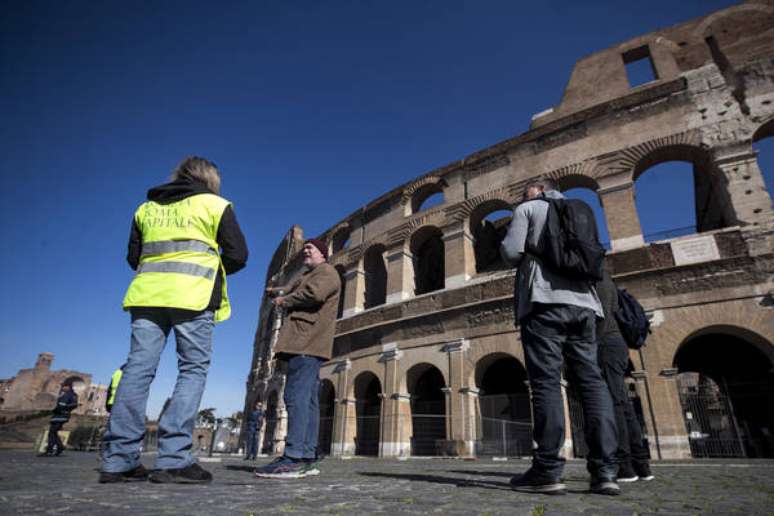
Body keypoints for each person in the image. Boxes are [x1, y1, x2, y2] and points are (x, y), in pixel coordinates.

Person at [99, 156, 248, 484]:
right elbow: (238, 255)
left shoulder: (145, 209)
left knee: (137, 370)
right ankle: (174, 458)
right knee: (192, 370)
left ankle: (118, 460)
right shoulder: (215, 205)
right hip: (194, 295)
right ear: (210, 179)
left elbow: (132, 257)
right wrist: (210, 269)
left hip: (147, 295)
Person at [500, 177, 619, 495]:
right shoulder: (581, 209)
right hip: (585, 306)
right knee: (592, 383)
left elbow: (511, 253)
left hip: (544, 302)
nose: (521, 196)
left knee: (546, 383)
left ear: (538, 190)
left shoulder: (529, 208)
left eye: (524, 192)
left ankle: (549, 470)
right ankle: (605, 471)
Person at [255, 239, 340, 479]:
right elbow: (304, 286)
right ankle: (306, 456)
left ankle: (293, 457)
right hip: (307, 342)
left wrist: (285, 300)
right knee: (309, 401)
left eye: (310, 248)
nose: (305, 251)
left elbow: (313, 293)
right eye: (303, 248)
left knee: (296, 397)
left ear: (323, 253)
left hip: (306, 342)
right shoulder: (316, 273)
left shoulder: (327, 272)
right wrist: (282, 290)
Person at [595, 268, 654, 482]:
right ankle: (642, 465)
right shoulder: (604, 276)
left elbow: (602, 316)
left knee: (615, 404)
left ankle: (625, 466)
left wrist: (590, 342)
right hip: (614, 344)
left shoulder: (597, 276)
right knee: (623, 404)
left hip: (606, 344)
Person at [40, 382, 78, 457]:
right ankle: (59, 447)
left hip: (62, 415)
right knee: (53, 432)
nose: (62, 387)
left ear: (68, 387)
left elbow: (73, 404)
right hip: (58, 415)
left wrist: (63, 408)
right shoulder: (64, 394)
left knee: (52, 432)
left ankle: (50, 450)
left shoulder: (71, 395)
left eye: (63, 386)